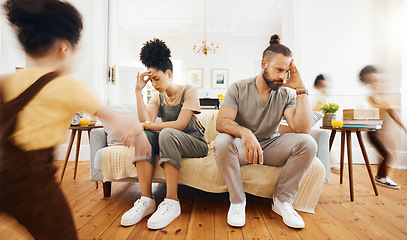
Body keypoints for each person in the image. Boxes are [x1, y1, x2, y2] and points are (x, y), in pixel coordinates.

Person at [0, 1, 151, 239]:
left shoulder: (7, 81)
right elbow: (112, 116)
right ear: (64, 48)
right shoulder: (67, 86)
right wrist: (137, 130)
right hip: (32, 182)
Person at [214, 34, 317, 229]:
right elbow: (222, 122)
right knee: (221, 142)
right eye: (278, 69)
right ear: (263, 64)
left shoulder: (286, 93)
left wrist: (301, 89)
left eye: (286, 72)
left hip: (270, 146)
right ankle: (237, 202)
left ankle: (282, 201)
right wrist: (245, 133)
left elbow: (302, 129)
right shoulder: (239, 88)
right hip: (242, 147)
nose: (282, 77)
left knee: (308, 143)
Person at [120, 39, 208, 229]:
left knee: (167, 132)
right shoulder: (157, 97)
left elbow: (179, 124)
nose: (153, 84)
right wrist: (138, 92)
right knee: (146, 135)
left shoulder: (189, 91)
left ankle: (171, 201)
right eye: (150, 80)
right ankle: (146, 200)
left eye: (156, 79)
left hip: (195, 143)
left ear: (169, 73)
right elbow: (147, 123)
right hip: (171, 141)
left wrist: (144, 125)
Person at [359, 65, 407, 189]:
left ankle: (381, 176)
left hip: (376, 130)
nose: (377, 84)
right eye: (373, 82)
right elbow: (392, 114)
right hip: (372, 131)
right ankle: (381, 177)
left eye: (378, 81)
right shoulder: (374, 99)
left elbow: (393, 114)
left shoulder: (381, 99)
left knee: (385, 154)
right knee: (387, 155)